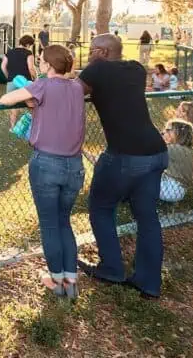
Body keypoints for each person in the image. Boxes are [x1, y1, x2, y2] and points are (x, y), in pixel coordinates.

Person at [76, 33, 168, 299]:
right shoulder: (136, 70)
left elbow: (72, 91)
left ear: (102, 52)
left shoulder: (98, 69)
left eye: (93, 49)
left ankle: (112, 268)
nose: (89, 53)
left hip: (125, 155)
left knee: (101, 207)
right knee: (148, 218)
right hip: (157, 152)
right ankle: (149, 282)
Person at [0, 44, 85, 299]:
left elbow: (6, 98)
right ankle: (71, 282)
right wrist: (32, 99)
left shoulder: (43, 85)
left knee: (49, 225)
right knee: (63, 222)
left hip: (47, 164)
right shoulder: (78, 87)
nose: (38, 64)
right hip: (74, 165)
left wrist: (28, 94)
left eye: (40, 61)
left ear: (48, 65)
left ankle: (58, 282)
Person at [158, 119, 193, 203]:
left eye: (168, 130)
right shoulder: (188, 150)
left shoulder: (174, 149)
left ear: (179, 134)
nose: (163, 132)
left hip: (168, 189)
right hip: (178, 191)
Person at [3, 35, 36, 126]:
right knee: (31, 104)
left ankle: (13, 126)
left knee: (13, 105)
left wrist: (8, 77)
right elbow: (31, 68)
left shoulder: (9, 52)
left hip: (11, 81)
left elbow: (3, 66)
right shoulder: (28, 53)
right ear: (28, 44)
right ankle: (35, 123)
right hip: (25, 82)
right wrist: (35, 78)